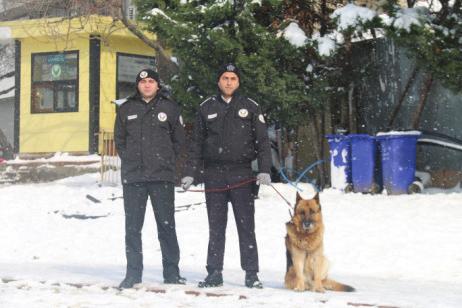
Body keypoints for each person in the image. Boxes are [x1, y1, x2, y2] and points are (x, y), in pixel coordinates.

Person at [181, 63, 272, 288]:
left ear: (238, 82)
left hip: (242, 174)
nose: (229, 82)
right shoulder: (206, 107)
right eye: (225, 78)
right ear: (218, 81)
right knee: (216, 226)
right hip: (214, 175)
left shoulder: (250, 106)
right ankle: (214, 273)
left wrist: (264, 169)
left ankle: (251, 274)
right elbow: (196, 144)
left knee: (246, 226)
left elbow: (262, 142)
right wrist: (190, 173)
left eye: (233, 78)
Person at [114, 68, 186, 288]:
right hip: (134, 178)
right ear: (138, 85)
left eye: (151, 81)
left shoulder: (170, 108)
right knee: (133, 228)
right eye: (143, 81)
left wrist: (165, 161)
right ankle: (133, 274)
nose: (147, 85)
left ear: (157, 85)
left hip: (161, 178)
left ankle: (172, 273)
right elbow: (120, 140)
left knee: (166, 226)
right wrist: (130, 160)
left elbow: (179, 141)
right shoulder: (126, 109)